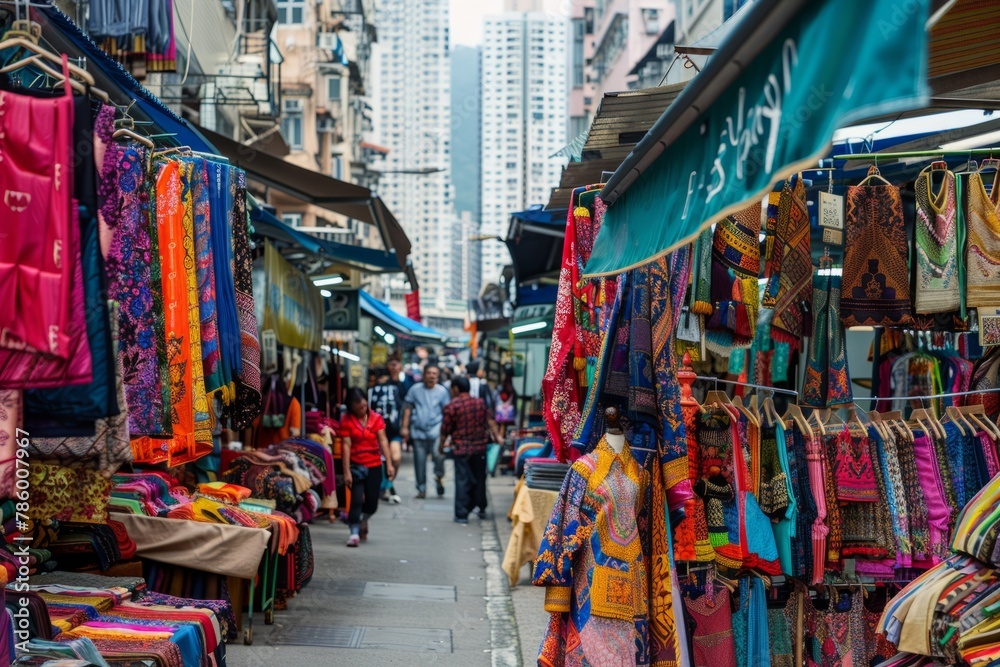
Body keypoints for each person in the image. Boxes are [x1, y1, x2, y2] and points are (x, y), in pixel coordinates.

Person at [439, 376, 500, 524]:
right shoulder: (480, 403)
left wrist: (440, 446)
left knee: (462, 480)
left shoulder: (452, 406)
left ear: (455, 389)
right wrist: (497, 437)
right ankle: (480, 506)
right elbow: (490, 421)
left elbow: (445, 430)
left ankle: (462, 514)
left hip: (461, 449)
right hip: (479, 448)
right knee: (479, 478)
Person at [340, 387, 395, 547]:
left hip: (374, 465)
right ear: (351, 406)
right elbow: (346, 446)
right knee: (356, 500)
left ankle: (363, 520)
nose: (362, 408)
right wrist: (346, 472)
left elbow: (383, 440)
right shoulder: (347, 420)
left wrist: (389, 464)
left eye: (364, 405)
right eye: (358, 406)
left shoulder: (376, 418)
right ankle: (354, 532)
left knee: (372, 502)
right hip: (356, 465)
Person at [401, 364, 450, 498]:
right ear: (424, 375)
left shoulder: (442, 391)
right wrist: (405, 427)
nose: (432, 376)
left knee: (438, 456)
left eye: (434, 373)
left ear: (438, 376)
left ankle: (439, 477)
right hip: (418, 431)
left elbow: (447, 413)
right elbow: (407, 408)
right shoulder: (415, 389)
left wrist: (447, 433)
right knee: (419, 461)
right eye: (429, 373)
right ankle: (421, 489)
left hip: (436, 430)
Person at [369, 363, 404, 503]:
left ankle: (388, 484)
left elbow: (405, 404)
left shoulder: (397, 387)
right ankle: (384, 487)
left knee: (395, 458)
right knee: (380, 460)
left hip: (393, 430)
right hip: (376, 432)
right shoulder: (371, 391)